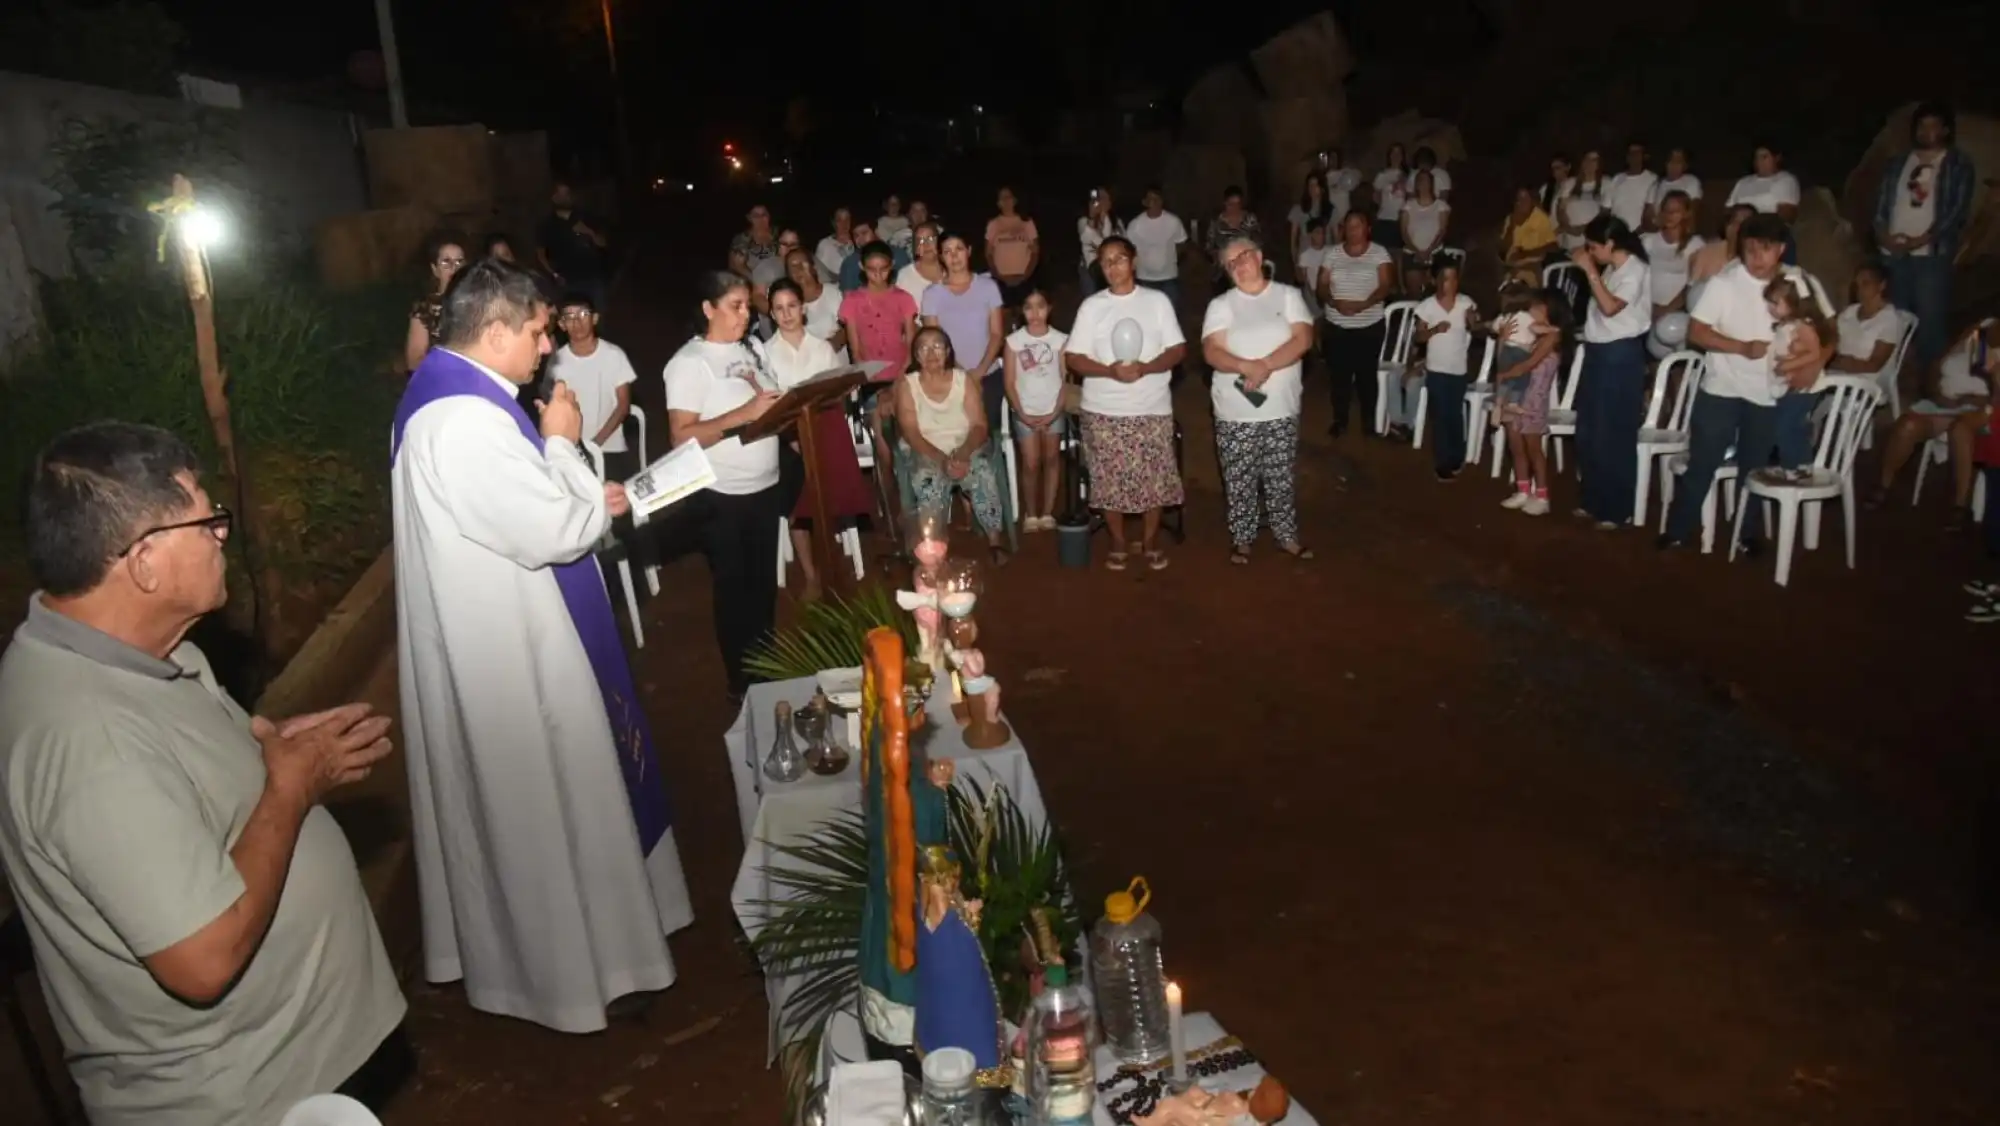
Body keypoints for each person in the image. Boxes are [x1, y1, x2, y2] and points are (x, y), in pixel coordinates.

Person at [0, 422, 407, 1126]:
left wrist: (268, 753)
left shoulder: (136, 650)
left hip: (293, 1067)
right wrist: (290, 787)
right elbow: (204, 957)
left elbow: (171, 794)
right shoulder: (87, 742)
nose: (224, 533)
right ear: (145, 562)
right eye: (206, 519)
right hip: (248, 1099)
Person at [391, 260, 691, 1034]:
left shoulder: (454, 396)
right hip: (513, 650)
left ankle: (592, 956)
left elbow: (532, 507)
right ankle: (575, 975)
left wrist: (587, 489)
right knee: (551, 802)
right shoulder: (460, 420)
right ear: (493, 332)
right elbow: (553, 531)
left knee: (552, 802)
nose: (547, 346)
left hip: (508, 626)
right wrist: (564, 446)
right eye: (535, 332)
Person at [664, 272, 788, 694]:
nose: (745, 314)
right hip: (723, 494)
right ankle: (742, 683)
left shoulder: (750, 349)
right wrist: (744, 414)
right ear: (708, 308)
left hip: (764, 486)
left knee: (763, 587)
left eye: (747, 306)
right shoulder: (689, 363)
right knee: (735, 591)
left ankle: (767, 670)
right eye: (735, 305)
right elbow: (681, 435)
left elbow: (766, 403)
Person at [1660, 213, 1798, 552]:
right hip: (1721, 387)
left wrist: (1803, 361)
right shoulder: (1724, 283)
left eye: (1764, 250)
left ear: (1780, 250)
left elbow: (1824, 331)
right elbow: (1697, 331)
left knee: (1753, 467)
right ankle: (1679, 529)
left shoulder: (1796, 283)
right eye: (1750, 250)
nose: (1756, 258)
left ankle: (1746, 535)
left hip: (1766, 392)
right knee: (1703, 461)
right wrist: (1741, 347)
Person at [1066, 236, 1188, 570]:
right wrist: (1109, 371)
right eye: (1105, 262)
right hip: (1105, 408)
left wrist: (1146, 368)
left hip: (1151, 406)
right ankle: (1118, 541)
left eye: (1119, 259)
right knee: (1108, 481)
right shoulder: (1092, 307)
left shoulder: (1157, 301)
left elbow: (1178, 349)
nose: (1112, 267)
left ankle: (1149, 542)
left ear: (1133, 261)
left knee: (1154, 479)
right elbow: (1074, 357)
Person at [1201, 236, 1316, 564]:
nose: (1238, 264)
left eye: (1244, 256)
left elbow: (1303, 338)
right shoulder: (1221, 305)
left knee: (1280, 476)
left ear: (1261, 257)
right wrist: (1243, 366)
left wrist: (1265, 365)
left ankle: (1286, 536)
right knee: (1239, 478)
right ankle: (1243, 538)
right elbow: (1212, 350)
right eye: (1230, 263)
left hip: (1281, 405)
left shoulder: (1288, 295)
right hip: (1235, 410)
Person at [768, 278, 873, 600]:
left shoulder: (822, 348)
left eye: (792, 307)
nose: (787, 315)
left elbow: (833, 397)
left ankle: (835, 563)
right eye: (779, 309)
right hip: (786, 435)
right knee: (797, 493)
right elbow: (771, 406)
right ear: (772, 314)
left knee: (831, 477)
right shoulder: (766, 352)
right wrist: (794, 440)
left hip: (824, 429)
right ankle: (812, 574)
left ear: (803, 309)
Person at [1873, 101, 1977, 373]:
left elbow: (1956, 210)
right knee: (1895, 319)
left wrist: (1922, 239)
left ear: (1944, 129)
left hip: (1931, 253)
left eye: (1933, 125)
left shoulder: (1957, 164)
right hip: (1894, 252)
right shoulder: (1898, 163)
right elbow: (1883, 203)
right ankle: (1896, 381)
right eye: (1921, 125)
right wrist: (1883, 234)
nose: (1926, 131)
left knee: (1930, 321)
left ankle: (1932, 382)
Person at [895, 325, 1011, 564]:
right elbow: (912, 434)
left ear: (948, 351)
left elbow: (979, 425)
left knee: (981, 471)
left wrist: (963, 454)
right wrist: (943, 460)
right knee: (929, 479)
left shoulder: (963, 380)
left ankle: (995, 540)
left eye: (937, 346)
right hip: (926, 448)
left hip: (964, 445)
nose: (931, 353)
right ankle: (934, 547)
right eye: (923, 348)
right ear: (916, 356)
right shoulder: (908, 385)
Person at [1869, 318, 1999, 524]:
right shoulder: (1980, 327)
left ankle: (1961, 506)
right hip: (1942, 403)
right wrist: (1935, 390)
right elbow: (1938, 364)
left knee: (1960, 430)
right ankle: (1883, 485)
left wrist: (1977, 400)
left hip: (1977, 409)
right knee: (1907, 426)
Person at [1571, 215, 1652, 529]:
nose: (1590, 253)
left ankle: (1617, 509)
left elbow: (1610, 307)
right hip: (1599, 353)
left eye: (1594, 247)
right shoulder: (1611, 268)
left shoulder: (1635, 270)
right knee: (1590, 431)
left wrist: (1590, 272)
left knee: (1613, 432)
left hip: (1620, 357)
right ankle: (1594, 500)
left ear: (1611, 244)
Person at [1316, 210, 1395, 438]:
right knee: (1339, 376)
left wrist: (1365, 304)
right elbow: (1321, 285)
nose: (1353, 231)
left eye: (1358, 225)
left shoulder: (1379, 253)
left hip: (1369, 325)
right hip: (1337, 325)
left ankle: (1368, 424)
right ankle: (1340, 420)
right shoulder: (1332, 254)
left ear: (1367, 228)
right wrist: (1333, 302)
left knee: (1367, 377)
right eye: (1349, 226)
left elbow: (1385, 285)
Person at [921, 232, 1008, 431]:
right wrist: (962, 375)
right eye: (947, 251)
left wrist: (978, 373)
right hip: (949, 377)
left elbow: (996, 334)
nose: (954, 256)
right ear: (941, 257)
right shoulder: (932, 294)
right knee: (956, 437)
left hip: (988, 374)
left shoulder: (988, 286)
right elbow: (934, 340)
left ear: (968, 251)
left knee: (988, 434)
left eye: (959, 249)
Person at [545, 292, 638, 477]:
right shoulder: (557, 361)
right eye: (569, 317)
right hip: (572, 450)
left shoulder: (614, 355)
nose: (577, 323)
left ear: (594, 319)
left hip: (610, 447)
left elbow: (623, 405)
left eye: (583, 315)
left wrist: (595, 443)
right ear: (562, 325)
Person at [1492, 286, 1564, 514]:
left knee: (1533, 448)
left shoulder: (1552, 336)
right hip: (1518, 395)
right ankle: (1523, 490)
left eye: (1535, 305)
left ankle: (1542, 495)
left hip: (1533, 401)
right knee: (1516, 446)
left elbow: (1529, 364)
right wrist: (1503, 340)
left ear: (1546, 309)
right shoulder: (1529, 335)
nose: (1529, 309)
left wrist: (1507, 375)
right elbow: (1503, 360)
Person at [1003, 286, 1069, 531]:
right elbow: (1009, 383)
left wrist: (1055, 412)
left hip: (1053, 409)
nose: (1035, 313)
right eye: (1029, 307)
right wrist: (1022, 413)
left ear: (1049, 308)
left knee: (1051, 459)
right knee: (1031, 462)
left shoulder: (1060, 340)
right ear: (1022, 311)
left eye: (1040, 306)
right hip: (1025, 411)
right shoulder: (1014, 342)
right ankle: (1031, 513)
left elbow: (1065, 380)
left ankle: (1048, 512)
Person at [1762, 275, 1837, 481]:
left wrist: (1788, 365)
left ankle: (1794, 466)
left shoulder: (1804, 327)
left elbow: (1814, 353)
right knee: (1791, 424)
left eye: (1776, 303)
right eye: (1769, 302)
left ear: (1793, 304)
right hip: (1790, 383)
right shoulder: (1786, 325)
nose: (1771, 308)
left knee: (1785, 425)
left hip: (1805, 386)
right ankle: (1799, 463)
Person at [1414, 258, 1478, 479]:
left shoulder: (1465, 303)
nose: (1449, 283)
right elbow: (1419, 337)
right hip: (1436, 369)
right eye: (1444, 278)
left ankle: (1457, 457)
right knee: (1440, 415)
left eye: (1453, 278)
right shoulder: (1427, 306)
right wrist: (1434, 330)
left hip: (1458, 369)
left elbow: (1475, 326)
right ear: (1435, 280)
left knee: (1454, 415)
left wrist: (1473, 321)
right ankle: (1443, 462)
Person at [536, 181, 609, 309]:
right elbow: (540, 254)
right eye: (560, 193)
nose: (564, 197)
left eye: (567, 193)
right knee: (573, 320)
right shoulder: (547, 225)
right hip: (567, 282)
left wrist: (589, 232)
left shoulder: (585, 217)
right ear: (554, 197)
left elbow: (603, 243)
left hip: (592, 279)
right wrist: (554, 274)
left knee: (596, 319)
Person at [1725, 143, 1802, 264]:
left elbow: (1787, 216)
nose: (1759, 162)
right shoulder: (1743, 182)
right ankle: (1732, 266)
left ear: (1777, 158)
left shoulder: (1785, 180)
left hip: (1768, 227)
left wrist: (1753, 218)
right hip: (1739, 227)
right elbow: (1728, 210)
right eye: (1757, 158)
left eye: (1764, 157)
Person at [405, 235, 466, 373]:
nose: (453, 268)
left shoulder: (479, 302)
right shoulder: (424, 308)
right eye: (446, 262)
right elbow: (414, 360)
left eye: (459, 262)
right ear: (435, 269)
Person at [1642, 190, 1704, 317]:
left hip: (1677, 312)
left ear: (1686, 214)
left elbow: (1693, 285)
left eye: (1675, 211)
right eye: (1666, 210)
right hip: (1647, 309)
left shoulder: (1695, 244)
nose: (1669, 215)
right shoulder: (1648, 241)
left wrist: (1666, 310)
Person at [1126, 187, 1189, 308]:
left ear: (1162, 201)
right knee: (1148, 312)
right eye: (1150, 199)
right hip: (1145, 278)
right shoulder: (1135, 224)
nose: (1154, 203)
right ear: (1144, 202)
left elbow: (1182, 243)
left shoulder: (1173, 221)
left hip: (1169, 277)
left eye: (1157, 199)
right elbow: (1129, 250)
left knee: (1170, 311)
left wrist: (1174, 261)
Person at [985, 185, 1040, 307]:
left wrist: (1025, 276)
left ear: (1015, 200)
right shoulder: (993, 224)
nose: (1006, 201)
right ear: (998, 203)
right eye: (1002, 198)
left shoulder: (1027, 222)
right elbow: (988, 254)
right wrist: (998, 277)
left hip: (1024, 280)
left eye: (1008, 197)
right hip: (1002, 281)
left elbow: (1035, 252)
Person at [1398, 169, 1451, 295]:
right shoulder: (1408, 205)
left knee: (1438, 291)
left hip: (1435, 252)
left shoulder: (1441, 206)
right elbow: (1404, 232)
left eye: (1426, 180)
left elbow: (1442, 231)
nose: (1423, 184)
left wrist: (1429, 251)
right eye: (1420, 181)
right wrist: (1417, 252)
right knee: (1414, 292)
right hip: (1412, 253)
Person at [1498, 187, 1558, 287]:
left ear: (1532, 201)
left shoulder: (1540, 218)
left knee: (1526, 277)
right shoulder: (1510, 218)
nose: (1522, 202)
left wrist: (1526, 253)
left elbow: (1553, 245)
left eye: (1526, 198)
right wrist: (1512, 226)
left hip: (1533, 261)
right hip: (1512, 263)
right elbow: (1503, 250)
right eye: (1519, 199)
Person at [839, 220, 911, 292]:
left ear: (875, 232)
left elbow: (909, 285)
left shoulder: (898, 254)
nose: (860, 239)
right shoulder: (850, 263)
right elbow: (848, 296)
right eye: (856, 235)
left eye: (864, 233)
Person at [1643, 147, 1703, 231]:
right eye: (1671, 161)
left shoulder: (1691, 181)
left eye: (1678, 162)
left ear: (1685, 166)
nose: (1673, 165)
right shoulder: (1656, 185)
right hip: (1657, 234)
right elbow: (1647, 219)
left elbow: (1692, 213)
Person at [1078, 186, 1122, 296]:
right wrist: (1093, 217)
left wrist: (1105, 217)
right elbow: (1100, 243)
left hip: (1112, 268)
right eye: (1099, 199)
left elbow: (1120, 243)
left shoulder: (1116, 222)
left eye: (1106, 199)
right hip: (1091, 270)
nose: (1102, 202)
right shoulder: (1083, 221)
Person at [1606, 141, 1658, 231]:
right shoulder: (1617, 179)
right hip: (1617, 234)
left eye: (1637, 153)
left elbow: (1654, 211)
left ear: (1644, 156)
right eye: (1631, 153)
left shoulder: (1653, 179)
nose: (1634, 156)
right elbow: (1606, 209)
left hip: (1642, 235)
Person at [897, 221, 945, 309]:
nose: (926, 244)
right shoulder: (905, 275)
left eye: (930, 239)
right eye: (920, 240)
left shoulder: (953, 271)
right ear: (916, 248)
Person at [1372, 143, 1409, 254]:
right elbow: (1376, 197)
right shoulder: (1382, 175)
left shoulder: (1408, 175)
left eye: (1399, 153)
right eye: (1393, 153)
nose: (1396, 156)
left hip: (1400, 220)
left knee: (1397, 254)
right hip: (1384, 218)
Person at [816, 207, 856, 282]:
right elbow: (819, 271)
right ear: (833, 223)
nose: (844, 224)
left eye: (847, 219)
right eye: (839, 220)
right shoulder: (825, 244)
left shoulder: (857, 242)